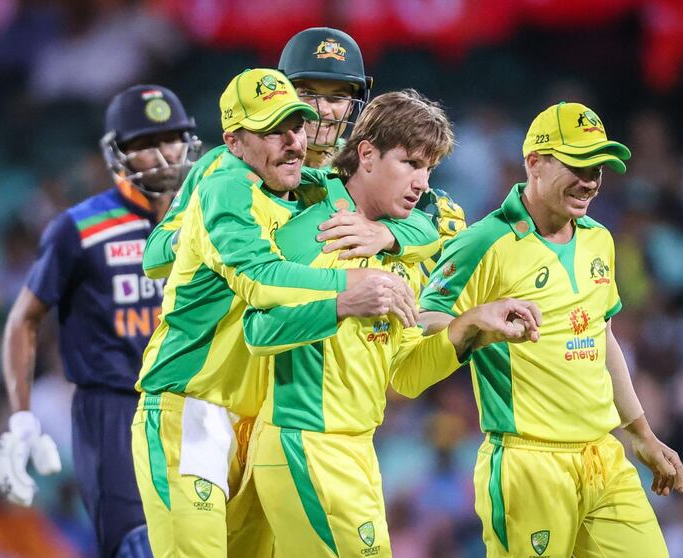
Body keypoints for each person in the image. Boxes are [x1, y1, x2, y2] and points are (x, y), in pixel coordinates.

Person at [130, 69, 434, 558]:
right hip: (193, 404)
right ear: (234, 141)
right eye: (276, 130)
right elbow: (255, 278)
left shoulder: (305, 187)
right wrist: (351, 285)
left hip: (258, 416)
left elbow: (418, 214)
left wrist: (390, 236)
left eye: (297, 125)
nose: (295, 141)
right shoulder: (224, 182)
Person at [239, 90, 541, 558]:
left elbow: (405, 373)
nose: (421, 182)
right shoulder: (314, 228)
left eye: (429, 169)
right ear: (366, 155)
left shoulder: (399, 250)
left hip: (358, 449)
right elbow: (256, 332)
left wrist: (470, 326)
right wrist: (343, 303)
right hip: (304, 443)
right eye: (409, 163)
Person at [409, 101, 683, 557]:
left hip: (604, 458)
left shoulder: (600, 237)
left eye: (598, 166)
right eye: (578, 164)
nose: (591, 180)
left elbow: (603, 338)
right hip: (527, 463)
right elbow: (421, 319)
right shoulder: (486, 241)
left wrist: (641, 433)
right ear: (533, 163)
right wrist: (476, 320)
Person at [0, 84, 202, 558]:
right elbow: (23, 319)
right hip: (115, 411)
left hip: (198, 404)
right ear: (118, 154)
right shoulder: (80, 228)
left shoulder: (209, 219)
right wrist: (21, 416)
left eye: (171, 139)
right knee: (139, 546)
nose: (163, 154)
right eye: (145, 143)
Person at [142, 26, 461, 281]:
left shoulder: (360, 168)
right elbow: (154, 259)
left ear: (355, 103)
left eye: (337, 96)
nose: (323, 110)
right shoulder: (225, 164)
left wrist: (387, 232)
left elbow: (426, 230)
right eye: (308, 94)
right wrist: (211, 228)